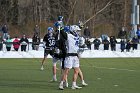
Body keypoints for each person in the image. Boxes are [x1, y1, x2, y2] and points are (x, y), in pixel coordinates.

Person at [59, 25, 87, 90]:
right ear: (73, 30)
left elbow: (78, 45)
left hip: (75, 56)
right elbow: (62, 32)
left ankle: (74, 84)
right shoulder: (68, 35)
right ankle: (61, 84)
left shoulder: (77, 37)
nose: (78, 32)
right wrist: (61, 27)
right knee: (66, 71)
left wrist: (80, 51)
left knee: (76, 70)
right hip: (69, 55)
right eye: (77, 31)